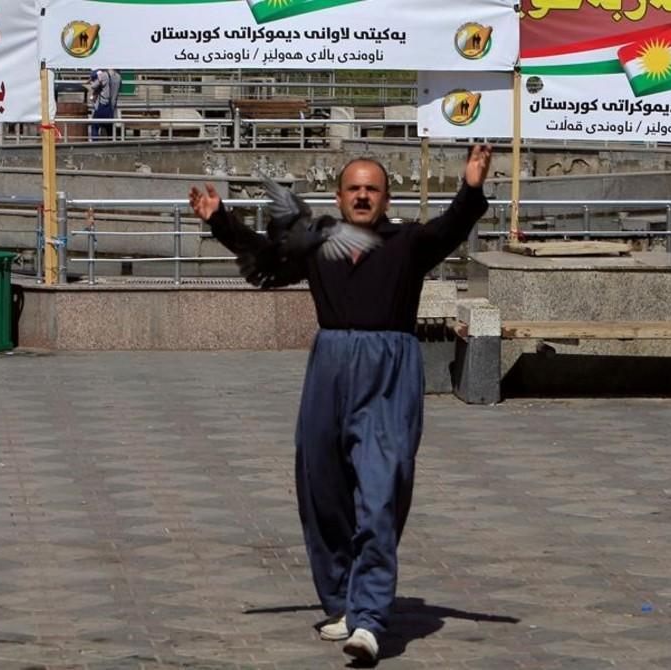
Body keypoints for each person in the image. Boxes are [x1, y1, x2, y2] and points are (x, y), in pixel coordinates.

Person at [188, 146, 493, 663]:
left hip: (388, 370)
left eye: (372, 189)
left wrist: (471, 186)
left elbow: (452, 225)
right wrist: (220, 220)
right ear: (338, 197)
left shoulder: (408, 243)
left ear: (385, 199)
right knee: (321, 485)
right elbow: (264, 256)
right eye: (354, 188)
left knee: (380, 488)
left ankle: (370, 618)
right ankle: (342, 600)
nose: (362, 196)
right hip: (330, 368)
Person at [87, 68, 121, 140]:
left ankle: (95, 145)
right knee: (110, 128)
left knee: (95, 126)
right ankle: (111, 147)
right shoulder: (118, 77)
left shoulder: (104, 75)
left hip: (103, 105)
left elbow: (93, 86)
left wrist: (92, 81)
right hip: (112, 107)